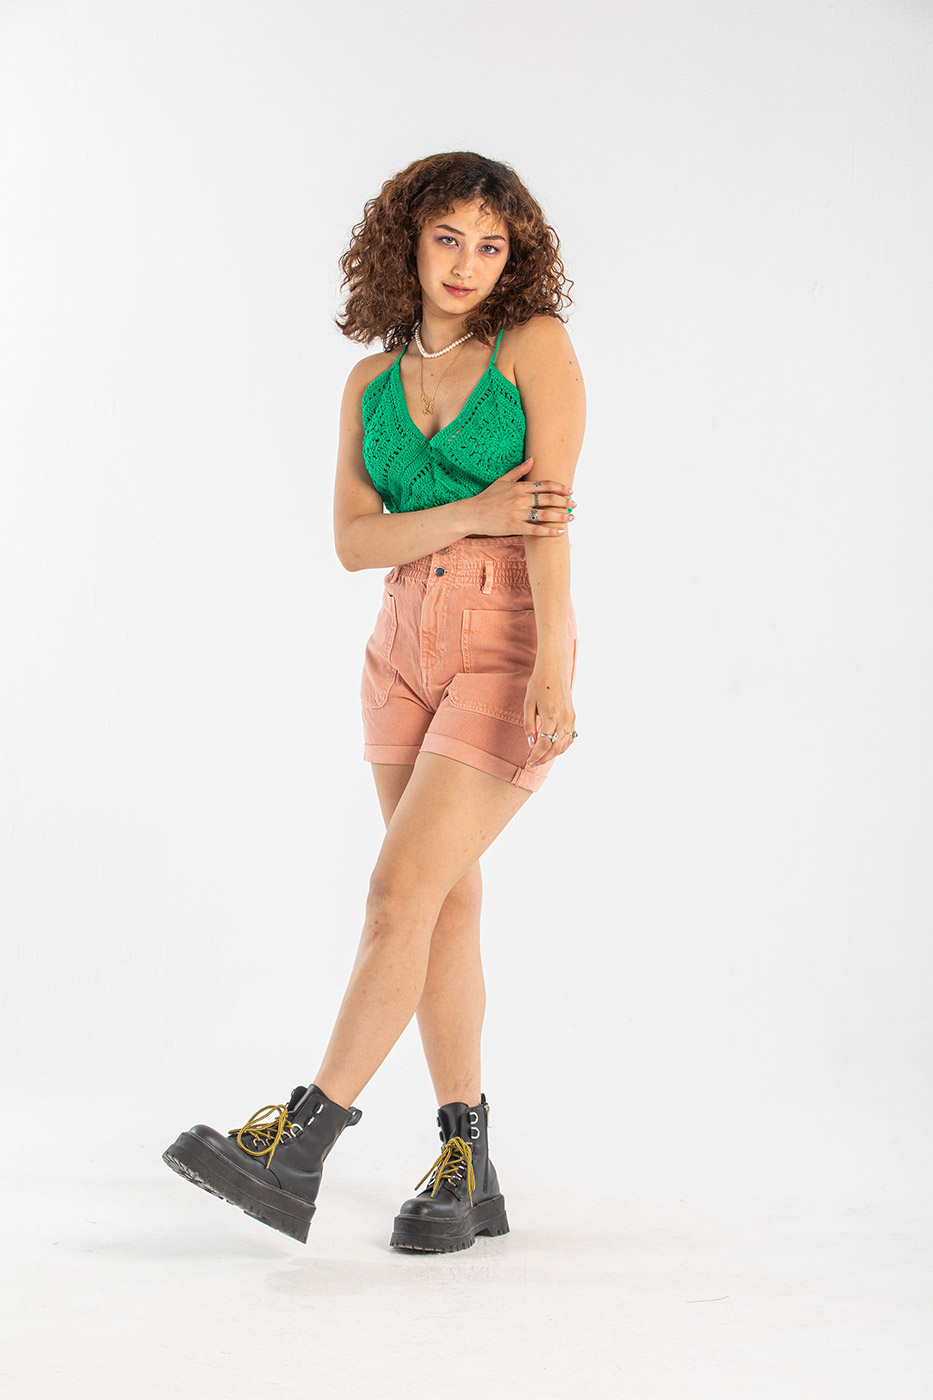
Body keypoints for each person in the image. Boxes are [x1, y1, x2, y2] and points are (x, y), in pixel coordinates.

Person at [163, 151, 585, 1254]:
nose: (467, 264)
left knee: (399, 889)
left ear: (514, 256)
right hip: (398, 649)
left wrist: (554, 661)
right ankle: (467, 1164)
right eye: (448, 238)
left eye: (490, 244)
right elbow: (354, 543)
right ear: (408, 242)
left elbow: (547, 519)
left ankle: (298, 1143)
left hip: (502, 641)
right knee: (441, 900)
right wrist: (470, 511)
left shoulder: (532, 347)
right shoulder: (368, 382)